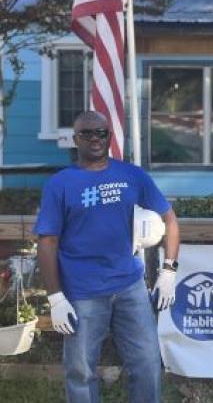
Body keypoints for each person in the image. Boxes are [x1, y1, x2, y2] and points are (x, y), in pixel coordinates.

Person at [35, 111, 181, 402]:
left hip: (130, 286)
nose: (95, 138)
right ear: (75, 139)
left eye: (101, 133)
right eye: (87, 133)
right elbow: (47, 241)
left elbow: (170, 220)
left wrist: (169, 271)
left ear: (109, 137)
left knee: (148, 364)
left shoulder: (132, 175)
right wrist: (55, 298)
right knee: (80, 372)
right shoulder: (60, 184)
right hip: (82, 291)